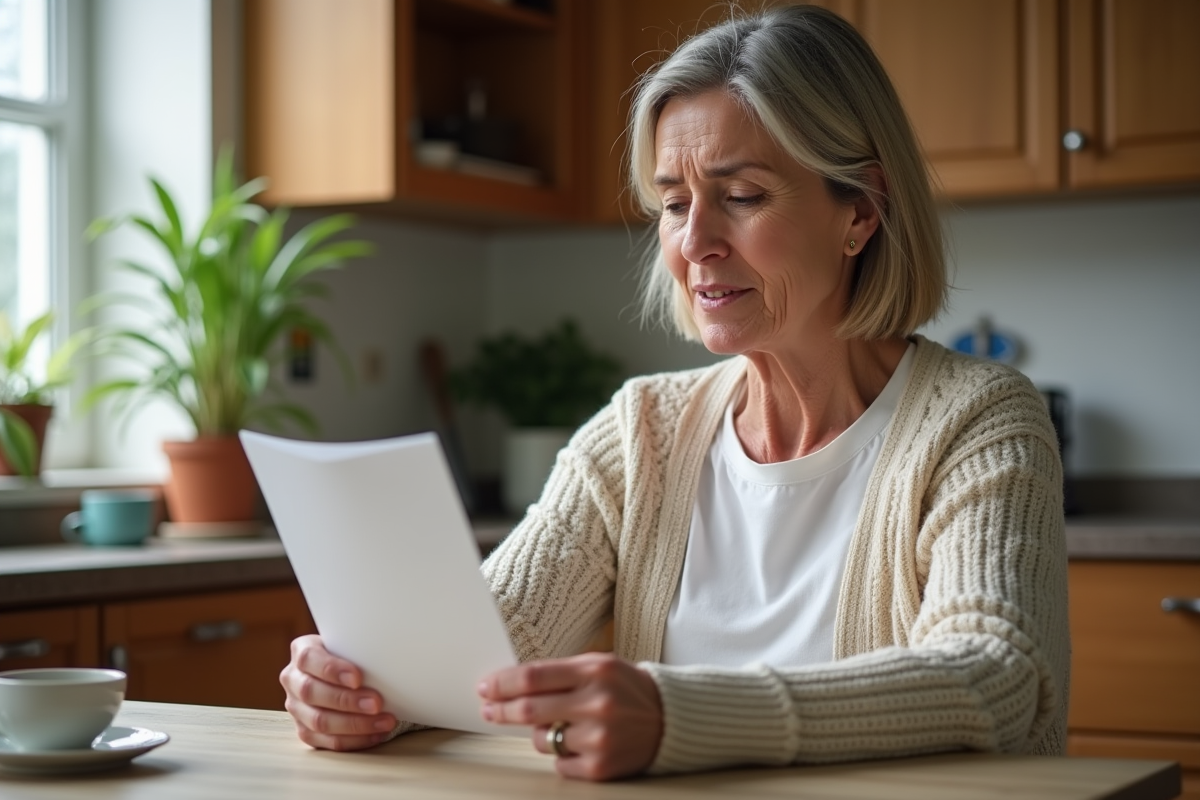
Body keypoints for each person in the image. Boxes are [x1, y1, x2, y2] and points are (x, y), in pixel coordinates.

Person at [279, 4, 1069, 783]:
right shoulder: (640, 430)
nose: (694, 245)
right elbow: (485, 650)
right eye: (674, 203)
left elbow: (990, 677)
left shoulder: (980, 417)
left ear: (860, 210)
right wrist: (362, 688)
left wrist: (677, 715)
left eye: (744, 195)